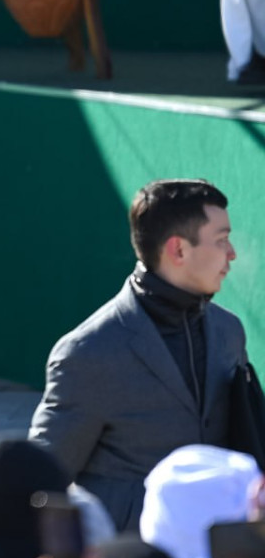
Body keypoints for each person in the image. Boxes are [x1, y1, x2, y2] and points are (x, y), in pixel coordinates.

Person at [29, 179, 246, 530]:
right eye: (221, 240)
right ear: (178, 250)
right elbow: (41, 477)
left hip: (220, 552)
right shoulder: (90, 352)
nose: (232, 252)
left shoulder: (229, 331)